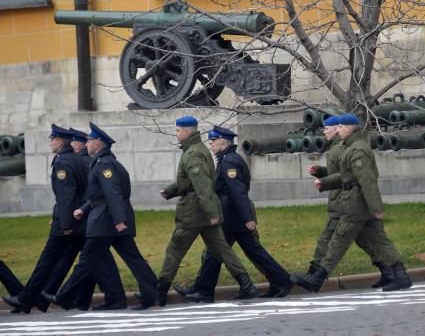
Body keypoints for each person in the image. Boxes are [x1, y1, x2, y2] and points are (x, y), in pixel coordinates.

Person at [42, 122, 158, 311]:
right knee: (133, 259)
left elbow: (112, 193)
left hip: (106, 221)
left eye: (89, 141)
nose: (86, 144)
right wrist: (84, 209)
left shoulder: (105, 165)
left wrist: (119, 220)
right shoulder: (106, 162)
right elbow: (100, 194)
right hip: (109, 218)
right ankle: (153, 293)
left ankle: (64, 296)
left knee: (87, 261)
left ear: (99, 143)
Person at [291, 114, 412, 292]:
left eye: (339, 127)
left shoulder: (357, 150)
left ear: (348, 128)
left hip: (356, 202)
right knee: (378, 240)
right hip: (354, 200)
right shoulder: (350, 147)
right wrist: (324, 181)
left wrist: (376, 208)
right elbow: (345, 175)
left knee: (338, 240)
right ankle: (399, 275)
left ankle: (317, 278)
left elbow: (367, 180)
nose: (337, 129)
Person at [174, 125, 293, 303]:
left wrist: (247, 219)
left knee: (215, 252)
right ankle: (281, 281)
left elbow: (238, 192)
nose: (211, 145)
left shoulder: (229, 161)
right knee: (251, 252)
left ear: (222, 141)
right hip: (233, 216)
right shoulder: (227, 159)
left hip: (232, 217)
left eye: (213, 141)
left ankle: (204, 291)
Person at [157, 117, 257, 306]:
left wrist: (212, 214)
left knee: (174, 250)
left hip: (195, 212)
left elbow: (202, 186)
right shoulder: (197, 150)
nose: (176, 134)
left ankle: (160, 292)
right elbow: (190, 181)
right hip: (204, 209)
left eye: (178, 131)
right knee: (222, 250)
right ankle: (246, 285)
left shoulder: (193, 154)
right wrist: (171, 190)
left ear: (187, 132)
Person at [2, 124, 89, 313]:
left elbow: (67, 197)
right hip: (78, 221)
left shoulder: (62, 162)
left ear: (59, 141)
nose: (50, 142)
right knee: (65, 261)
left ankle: (25, 300)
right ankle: (40, 300)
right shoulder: (77, 159)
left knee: (46, 262)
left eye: (52, 139)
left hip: (66, 222)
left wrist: (66, 225)